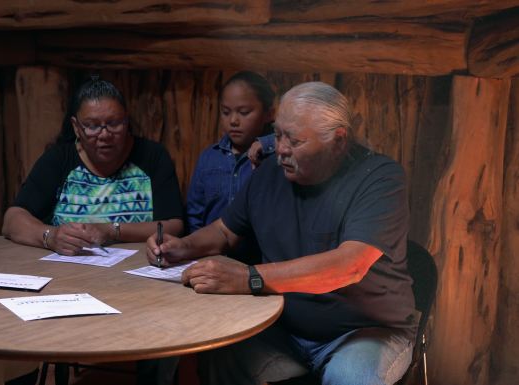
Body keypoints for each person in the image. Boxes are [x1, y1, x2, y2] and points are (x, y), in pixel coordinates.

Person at [146, 82, 416, 385]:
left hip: (362, 330)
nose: (282, 149)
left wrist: (250, 277)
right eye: (278, 134)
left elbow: (350, 265)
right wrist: (183, 246)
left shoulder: (379, 179)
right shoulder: (269, 173)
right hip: (281, 326)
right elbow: (225, 230)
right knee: (216, 348)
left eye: (295, 141)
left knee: (350, 378)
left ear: (338, 141)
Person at [3, 77, 184, 385]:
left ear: (127, 123)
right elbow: (12, 218)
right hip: (66, 286)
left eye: (114, 124)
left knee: (171, 329)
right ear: (76, 127)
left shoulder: (151, 157)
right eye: (92, 126)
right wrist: (52, 237)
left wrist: (111, 231)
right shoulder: (59, 160)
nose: (104, 135)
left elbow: (174, 224)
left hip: (140, 287)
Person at [186, 71, 275, 264]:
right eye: (226, 112)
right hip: (212, 258)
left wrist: (268, 143)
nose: (233, 121)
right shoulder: (209, 157)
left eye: (244, 113)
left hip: (258, 262)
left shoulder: (276, 157)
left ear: (269, 113)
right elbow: (195, 213)